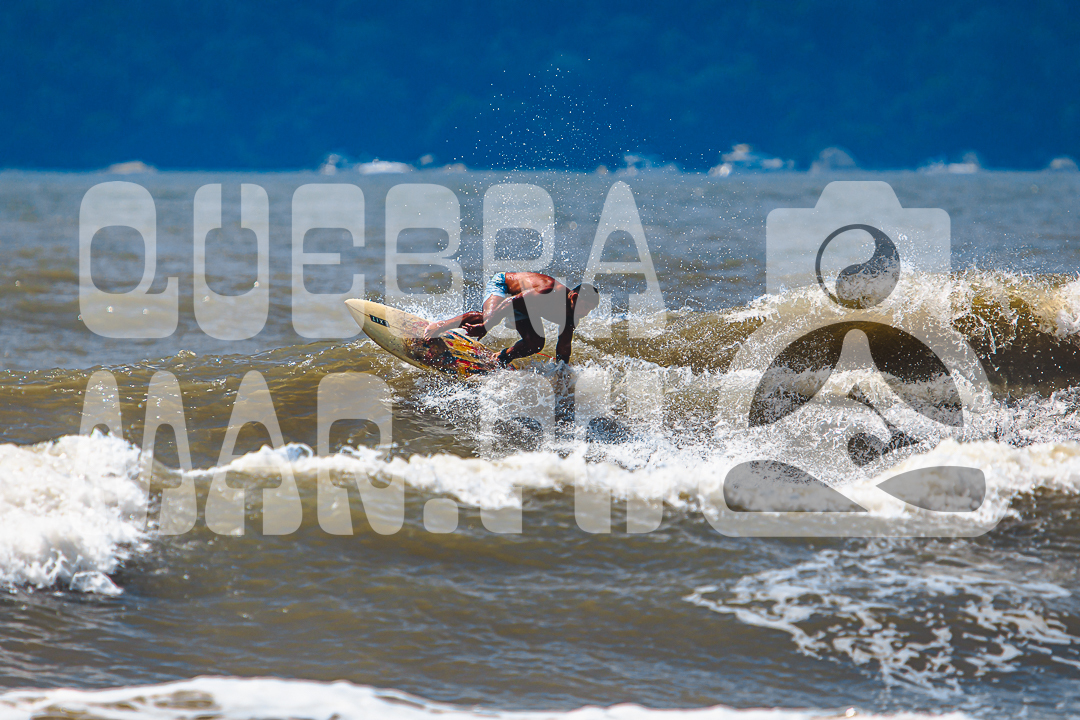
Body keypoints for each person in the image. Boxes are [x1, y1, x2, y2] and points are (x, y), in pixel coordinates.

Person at [424, 272, 600, 366]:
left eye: (590, 310)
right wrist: (486, 326)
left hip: (523, 308)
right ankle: (441, 325)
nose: (586, 313)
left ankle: (500, 358)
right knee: (487, 317)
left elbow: (563, 349)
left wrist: (563, 376)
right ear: (574, 297)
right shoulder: (550, 291)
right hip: (505, 288)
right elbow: (510, 302)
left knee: (536, 343)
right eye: (585, 307)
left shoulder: (571, 318)